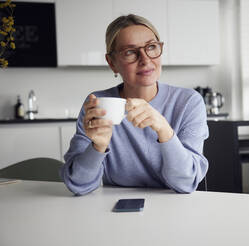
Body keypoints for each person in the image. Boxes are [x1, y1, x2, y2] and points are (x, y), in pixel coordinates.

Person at [60, 14, 209, 196]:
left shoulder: (188, 102)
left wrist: (164, 130)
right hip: (114, 209)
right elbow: (78, 184)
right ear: (112, 63)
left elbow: (187, 183)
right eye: (130, 52)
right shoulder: (98, 105)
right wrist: (97, 147)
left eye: (151, 47)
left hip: (175, 209)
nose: (145, 59)